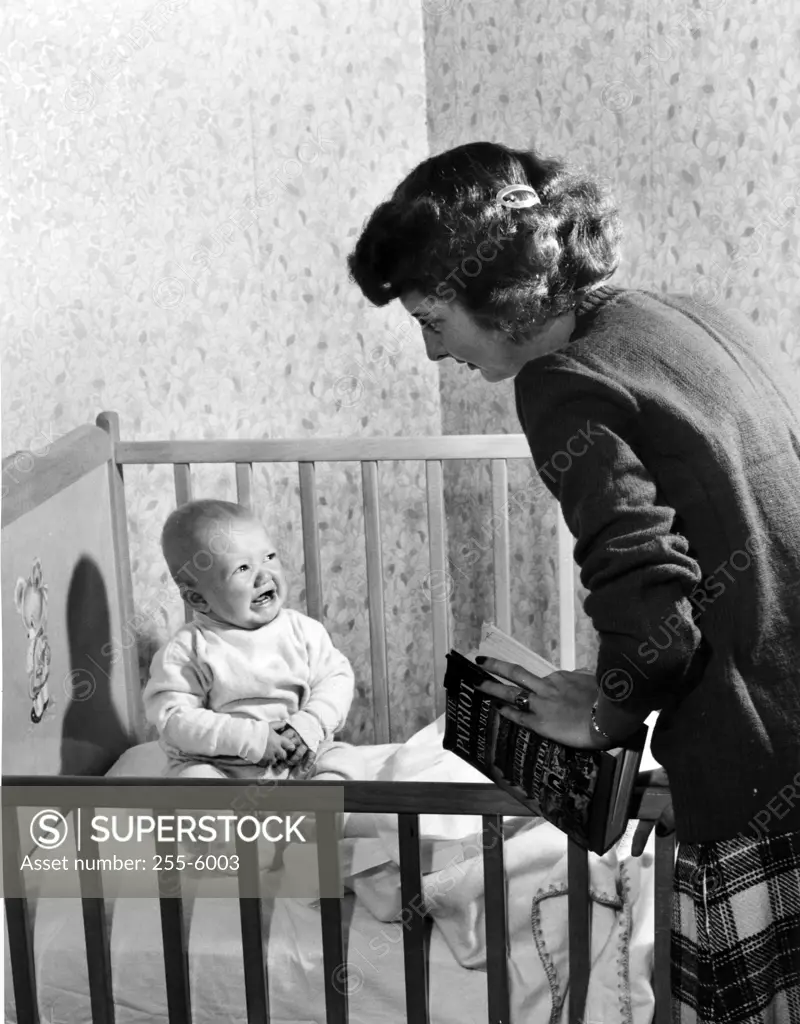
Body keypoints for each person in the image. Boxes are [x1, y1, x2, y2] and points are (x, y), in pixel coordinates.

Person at [346, 140, 800, 1023]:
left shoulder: (563, 382)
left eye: (434, 321)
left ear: (503, 298)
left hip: (749, 757)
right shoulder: (683, 319)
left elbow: (659, 622)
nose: (437, 354)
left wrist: (605, 711)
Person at [143, 499, 355, 780]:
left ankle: (319, 820)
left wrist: (310, 724)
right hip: (222, 768)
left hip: (299, 758)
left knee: (345, 762)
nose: (264, 575)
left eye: (269, 557)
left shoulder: (304, 631)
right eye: (242, 568)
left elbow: (336, 679)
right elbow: (173, 719)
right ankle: (224, 823)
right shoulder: (188, 650)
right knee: (194, 781)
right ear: (197, 598)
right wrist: (249, 738)